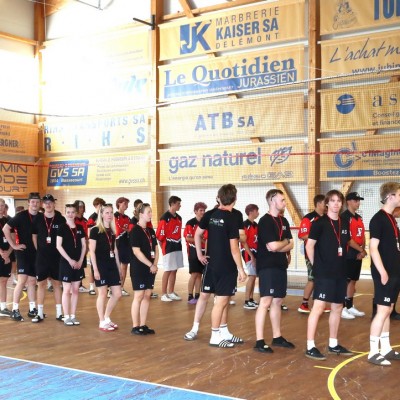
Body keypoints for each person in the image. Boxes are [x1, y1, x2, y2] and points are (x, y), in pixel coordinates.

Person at [194, 184, 247, 348]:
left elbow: (201, 234)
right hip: (226, 267)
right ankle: (215, 335)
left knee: (223, 301)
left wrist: (200, 254)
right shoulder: (231, 219)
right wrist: (241, 269)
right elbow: (234, 248)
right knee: (221, 302)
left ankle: (224, 332)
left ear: (219, 198)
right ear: (234, 199)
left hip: (213, 264)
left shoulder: (213, 215)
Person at [305, 190, 352, 360]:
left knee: (337, 307)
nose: (336, 203)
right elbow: (309, 246)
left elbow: (344, 245)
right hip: (324, 273)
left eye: (339, 200)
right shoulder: (320, 223)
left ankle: (333, 343)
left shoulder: (344, 223)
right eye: (332, 200)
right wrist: (316, 267)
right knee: (318, 308)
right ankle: (310, 346)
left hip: (340, 272)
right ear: (327, 203)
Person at [254, 189, 295, 353]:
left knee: (277, 301)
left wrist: (281, 244)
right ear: (272, 201)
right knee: (265, 301)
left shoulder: (284, 221)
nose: (284, 202)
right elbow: (272, 246)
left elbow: (291, 243)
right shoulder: (264, 221)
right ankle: (259, 341)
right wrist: (283, 243)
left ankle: (277, 337)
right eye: (282, 200)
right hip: (267, 267)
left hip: (280, 265)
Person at [367, 182, 400, 366]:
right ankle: (373, 352)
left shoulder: (392, 219)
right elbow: (373, 248)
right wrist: (382, 272)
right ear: (390, 196)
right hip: (384, 273)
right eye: (399, 194)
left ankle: (386, 348)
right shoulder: (378, 219)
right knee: (382, 311)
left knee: (388, 309)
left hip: (394, 271)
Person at [3, 192, 41, 321]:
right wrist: (13, 245)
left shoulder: (41, 217)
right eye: (33, 202)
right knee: (22, 280)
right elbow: (5, 229)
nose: (35, 204)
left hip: (36, 253)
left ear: (39, 203)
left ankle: (32, 308)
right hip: (23, 252)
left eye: (37, 202)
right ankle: (15, 310)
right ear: (28, 203)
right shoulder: (21, 216)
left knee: (32, 281)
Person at [31, 194, 66, 322]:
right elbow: (34, 236)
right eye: (45, 203)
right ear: (43, 205)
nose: (48, 205)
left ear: (54, 204)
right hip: (42, 258)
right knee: (41, 284)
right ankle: (39, 313)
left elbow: (64, 237)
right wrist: (39, 250)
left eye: (50, 202)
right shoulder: (38, 219)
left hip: (57, 258)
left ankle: (59, 313)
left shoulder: (60, 219)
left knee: (57, 284)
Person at [89, 203, 122, 331]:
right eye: (107, 212)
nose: (109, 215)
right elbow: (92, 251)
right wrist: (95, 270)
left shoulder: (112, 231)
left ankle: (107, 317)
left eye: (111, 212)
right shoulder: (95, 230)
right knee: (102, 293)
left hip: (112, 265)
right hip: (100, 265)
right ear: (101, 214)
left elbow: (115, 250)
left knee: (117, 293)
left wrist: (119, 268)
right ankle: (101, 321)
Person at [130, 203, 159, 335]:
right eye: (148, 212)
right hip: (139, 268)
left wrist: (155, 264)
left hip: (150, 269)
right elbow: (136, 252)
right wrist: (150, 265)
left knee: (147, 295)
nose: (151, 214)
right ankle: (135, 326)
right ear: (141, 214)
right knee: (139, 295)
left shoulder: (150, 231)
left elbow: (156, 249)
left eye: (151, 212)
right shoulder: (135, 231)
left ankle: (143, 324)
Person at [56, 204, 87, 325]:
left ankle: (73, 315)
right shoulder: (62, 227)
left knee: (75, 290)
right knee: (67, 289)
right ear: (65, 213)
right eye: (68, 212)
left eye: (73, 212)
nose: (70, 214)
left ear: (76, 213)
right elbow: (58, 246)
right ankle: (67, 316)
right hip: (66, 262)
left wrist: (80, 260)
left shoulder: (80, 227)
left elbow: (84, 245)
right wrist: (69, 260)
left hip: (78, 263)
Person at [341, 192, 367, 319]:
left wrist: (362, 250)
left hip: (358, 252)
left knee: (353, 280)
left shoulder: (359, 217)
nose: (358, 203)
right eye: (356, 200)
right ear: (348, 202)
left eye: (359, 200)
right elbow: (347, 239)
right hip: (348, 253)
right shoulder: (344, 217)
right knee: (345, 281)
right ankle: (341, 308)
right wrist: (360, 250)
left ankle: (349, 306)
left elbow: (362, 235)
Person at [297, 194, 326, 313]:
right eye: (325, 203)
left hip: (324, 254)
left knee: (321, 278)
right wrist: (317, 236)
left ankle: (318, 304)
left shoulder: (327, 218)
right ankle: (304, 304)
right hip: (312, 254)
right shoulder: (308, 218)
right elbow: (302, 235)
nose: (327, 205)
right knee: (312, 279)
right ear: (318, 204)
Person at [156, 196, 183, 302]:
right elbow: (159, 236)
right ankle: (164, 294)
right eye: (178, 203)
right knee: (167, 270)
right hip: (168, 248)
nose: (180, 205)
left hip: (177, 246)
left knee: (174, 269)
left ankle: (171, 292)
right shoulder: (164, 218)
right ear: (172, 204)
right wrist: (163, 248)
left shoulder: (179, 218)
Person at [183, 202, 207, 304]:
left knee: (200, 274)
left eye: (204, 210)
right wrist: (200, 240)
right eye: (200, 210)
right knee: (194, 274)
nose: (203, 212)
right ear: (195, 211)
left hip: (203, 252)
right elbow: (188, 238)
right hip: (193, 251)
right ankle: (190, 295)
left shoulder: (205, 223)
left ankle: (197, 295)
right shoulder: (190, 223)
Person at [85, 197, 106, 294]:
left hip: (102, 245)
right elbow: (89, 232)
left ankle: (105, 285)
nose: (101, 207)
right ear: (96, 206)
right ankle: (91, 287)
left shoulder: (103, 216)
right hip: (94, 244)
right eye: (100, 205)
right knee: (93, 266)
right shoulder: (92, 218)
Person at [241, 204, 259, 310]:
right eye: (257, 211)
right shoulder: (244, 225)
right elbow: (244, 242)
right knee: (252, 276)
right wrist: (251, 256)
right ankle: (246, 300)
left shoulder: (256, 225)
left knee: (254, 276)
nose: (258, 213)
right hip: (248, 252)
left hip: (255, 252)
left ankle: (251, 299)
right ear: (251, 212)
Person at [73, 200, 93, 294]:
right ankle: (74, 285)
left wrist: (87, 245)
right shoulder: (73, 220)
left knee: (81, 265)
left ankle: (79, 285)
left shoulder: (85, 220)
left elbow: (86, 235)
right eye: (80, 207)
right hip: (74, 246)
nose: (81, 209)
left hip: (83, 246)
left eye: (83, 207)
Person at [114, 197, 131, 296]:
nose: (126, 205)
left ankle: (121, 287)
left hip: (126, 243)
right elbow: (118, 229)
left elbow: (131, 229)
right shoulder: (115, 216)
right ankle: (112, 288)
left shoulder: (127, 218)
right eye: (124, 203)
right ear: (119, 204)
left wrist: (127, 229)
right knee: (116, 266)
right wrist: (126, 229)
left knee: (124, 266)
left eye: (127, 204)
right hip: (117, 243)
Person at [0, 198, 13, 317]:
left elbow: (13, 239)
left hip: (7, 255)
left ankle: (3, 307)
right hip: (2, 254)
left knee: (3, 281)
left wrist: (7, 253)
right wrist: (2, 254)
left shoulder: (8, 221)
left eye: (2, 205)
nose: (0, 207)